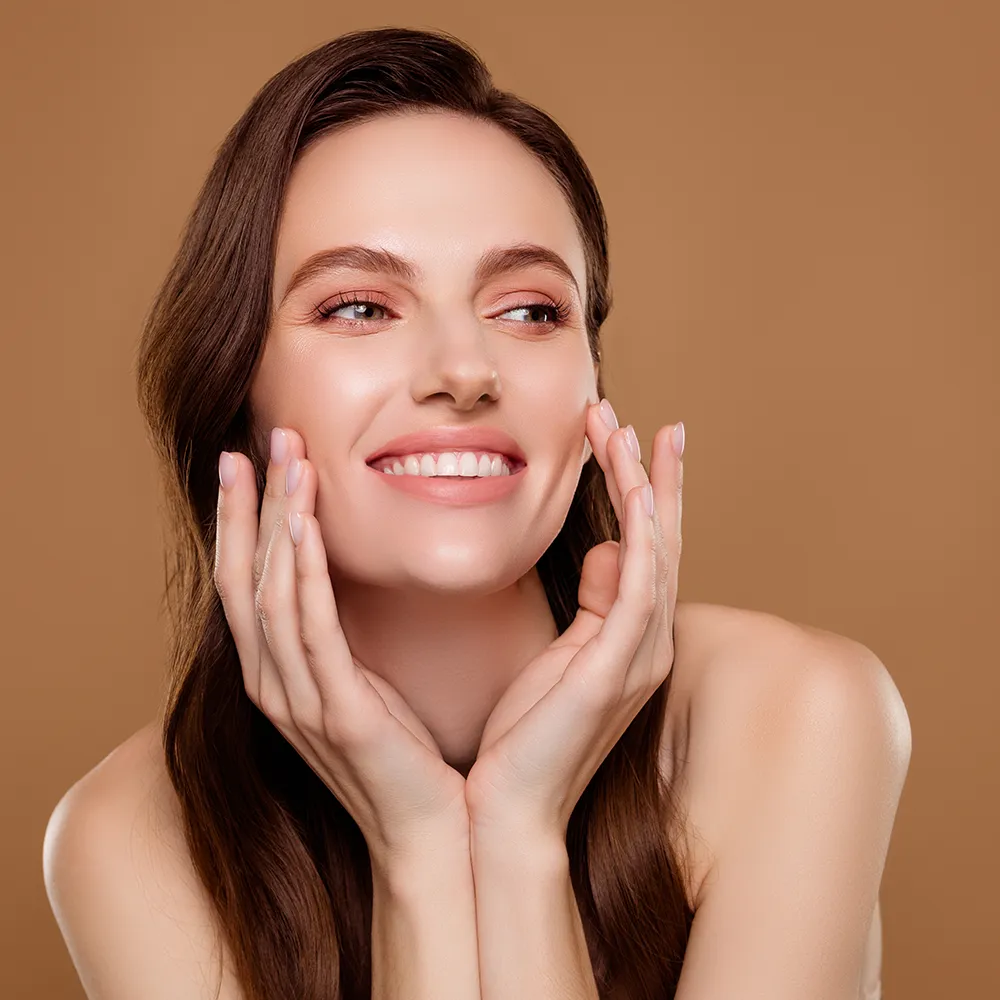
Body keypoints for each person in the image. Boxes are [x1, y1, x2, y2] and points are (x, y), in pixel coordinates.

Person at [41, 26, 908, 1000]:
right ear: (238, 386)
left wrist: (518, 832)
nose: (463, 370)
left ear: (590, 395)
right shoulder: (132, 833)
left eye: (529, 309)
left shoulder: (791, 712)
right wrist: (415, 844)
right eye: (361, 307)